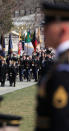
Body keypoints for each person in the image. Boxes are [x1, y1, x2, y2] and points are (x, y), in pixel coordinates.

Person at [36, 2, 69, 131]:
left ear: (63, 30)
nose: (43, 31)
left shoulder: (64, 69)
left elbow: (61, 122)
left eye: (47, 26)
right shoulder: (61, 62)